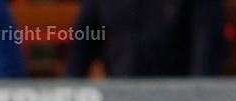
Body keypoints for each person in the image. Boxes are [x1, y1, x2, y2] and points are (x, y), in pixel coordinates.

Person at [66, 0, 225, 78]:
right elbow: (84, 39)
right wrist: (72, 91)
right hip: (120, 85)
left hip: (175, 86)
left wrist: (197, 95)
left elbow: (207, 44)